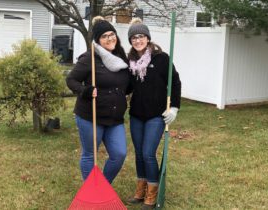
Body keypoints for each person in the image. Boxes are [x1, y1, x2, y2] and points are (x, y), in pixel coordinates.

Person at [66, 16, 130, 184]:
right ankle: (91, 191)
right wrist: (84, 91)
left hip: (115, 118)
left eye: (112, 34)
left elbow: (127, 85)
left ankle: (102, 187)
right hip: (90, 116)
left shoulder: (122, 57)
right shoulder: (90, 58)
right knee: (90, 154)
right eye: (104, 36)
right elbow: (71, 80)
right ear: (98, 40)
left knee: (119, 154)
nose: (110, 38)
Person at [126, 18, 182, 209]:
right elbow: (126, 87)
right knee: (139, 155)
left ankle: (152, 193)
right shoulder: (130, 61)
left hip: (156, 115)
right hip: (136, 115)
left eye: (141, 36)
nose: (137, 40)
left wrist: (174, 107)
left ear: (148, 38)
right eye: (133, 37)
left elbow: (175, 82)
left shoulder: (161, 58)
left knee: (148, 153)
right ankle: (140, 190)